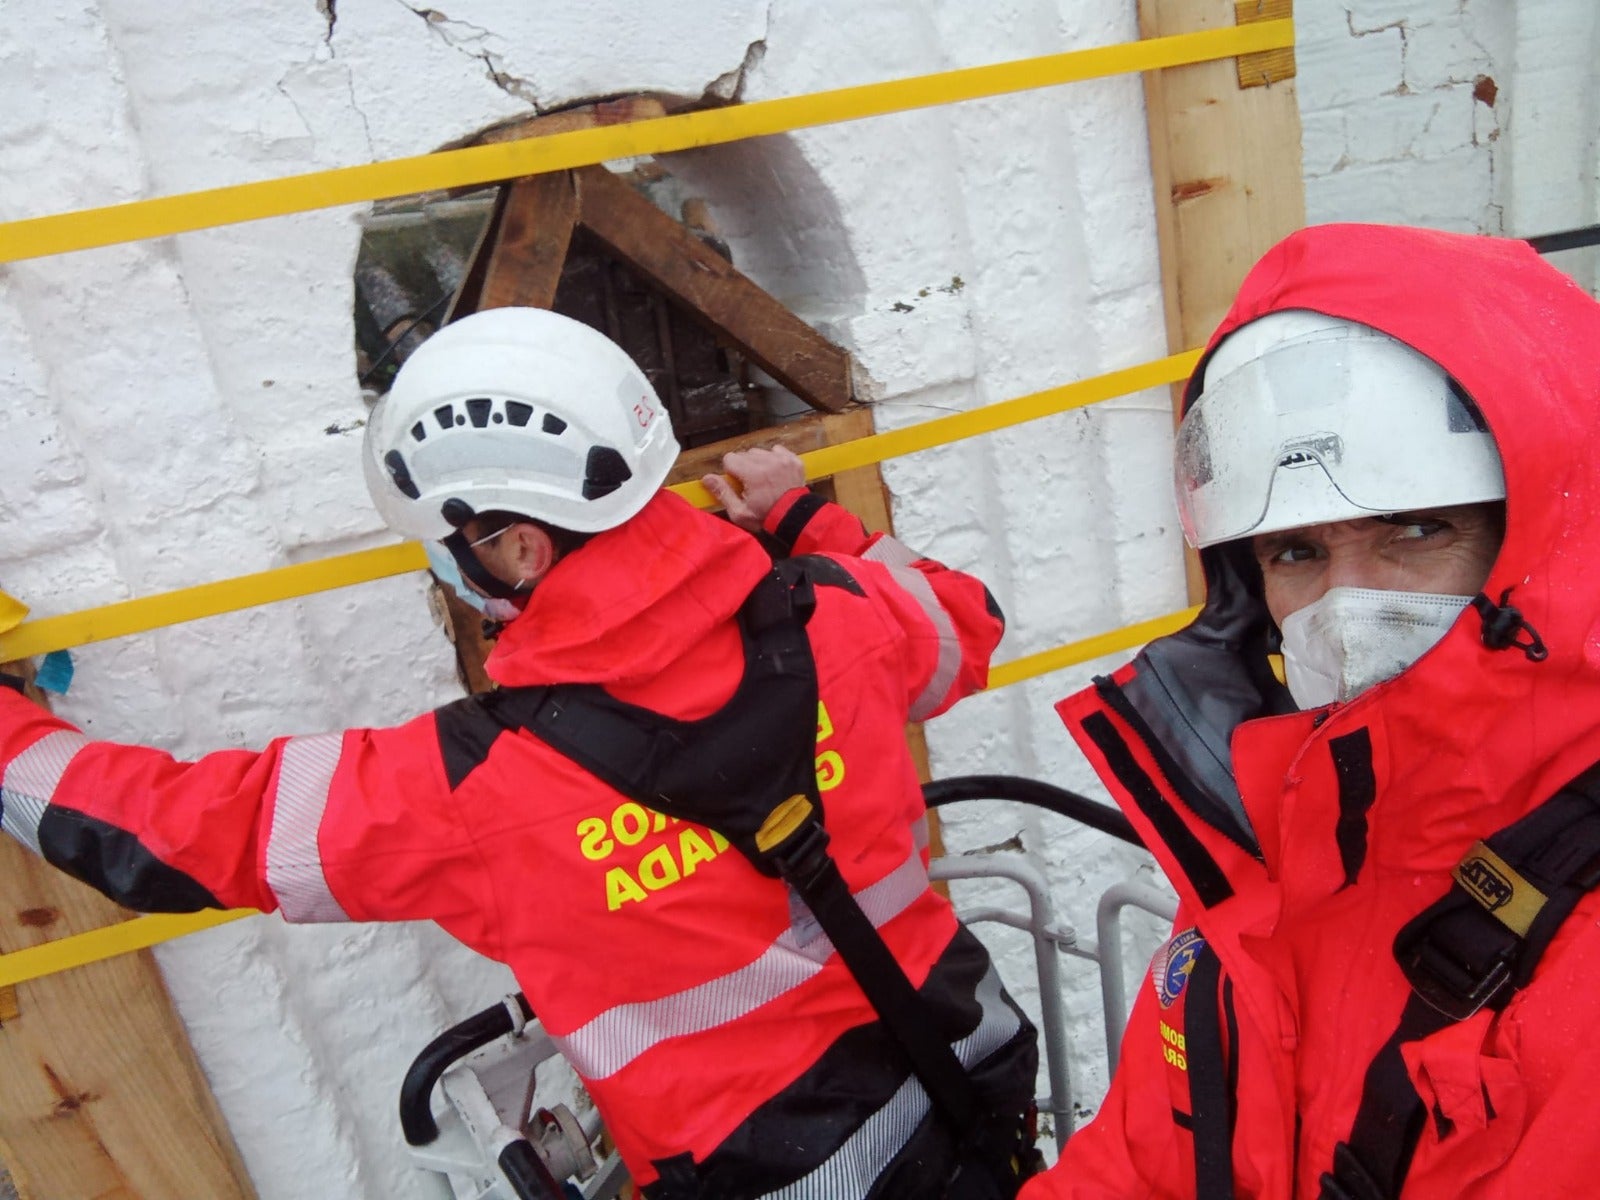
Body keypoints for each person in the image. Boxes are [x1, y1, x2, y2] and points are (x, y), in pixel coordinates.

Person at [0, 307, 1040, 1199]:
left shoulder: (473, 787)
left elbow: (164, 837)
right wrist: (806, 518)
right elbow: (964, 624)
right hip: (975, 1072)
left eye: (452, 545)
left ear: (520, 546)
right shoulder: (841, 617)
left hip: (789, 1171)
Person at [1021, 223, 1600, 1199]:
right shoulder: (1276, 862)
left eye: (1414, 530)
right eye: (1295, 553)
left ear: (1539, 537)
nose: (1348, 603)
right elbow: (1135, 1169)